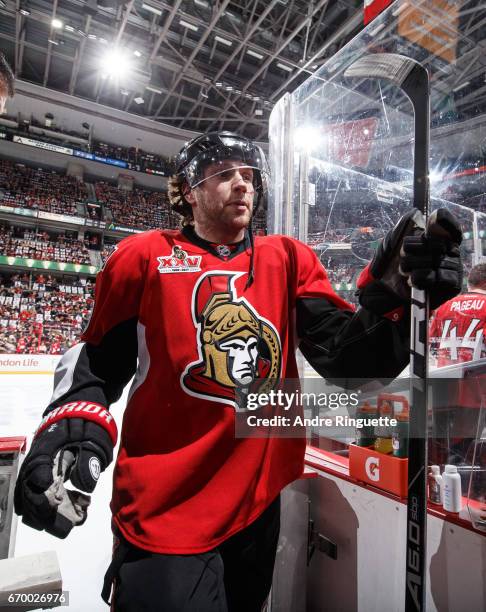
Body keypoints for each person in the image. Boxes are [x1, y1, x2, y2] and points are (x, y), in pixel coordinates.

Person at [14, 132, 463, 612]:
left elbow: (347, 358)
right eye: (224, 174)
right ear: (189, 190)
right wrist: (71, 433)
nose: (241, 185)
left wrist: (396, 296)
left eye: (248, 176)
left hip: (255, 510)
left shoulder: (287, 259)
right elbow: (97, 364)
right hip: (164, 511)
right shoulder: (142, 257)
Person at [429, 262, 486, 464]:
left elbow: (430, 342)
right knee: (464, 452)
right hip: (475, 392)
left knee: (441, 449)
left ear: (469, 282)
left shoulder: (445, 306)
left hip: (443, 388)